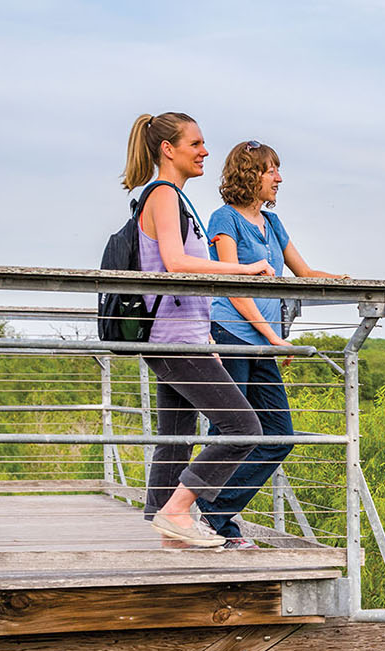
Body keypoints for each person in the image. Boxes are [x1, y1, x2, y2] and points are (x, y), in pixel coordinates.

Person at [120, 111, 274, 548]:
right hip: (172, 340)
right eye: (196, 144)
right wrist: (240, 270)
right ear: (168, 150)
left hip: (184, 336)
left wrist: (207, 336)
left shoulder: (173, 197)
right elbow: (174, 262)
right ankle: (177, 511)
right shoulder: (163, 195)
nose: (205, 151)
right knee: (244, 427)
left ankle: (171, 530)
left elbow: (181, 279)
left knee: (176, 436)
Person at [200, 140, 342, 547]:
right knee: (228, 432)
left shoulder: (273, 224)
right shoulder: (223, 219)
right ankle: (216, 522)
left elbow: (305, 272)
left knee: (278, 434)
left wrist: (346, 282)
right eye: (270, 171)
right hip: (232, 335)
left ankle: (214, 509)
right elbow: (233, 285)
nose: (278, 178)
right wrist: (272, 336)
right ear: (249, 174)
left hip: (263, 340)